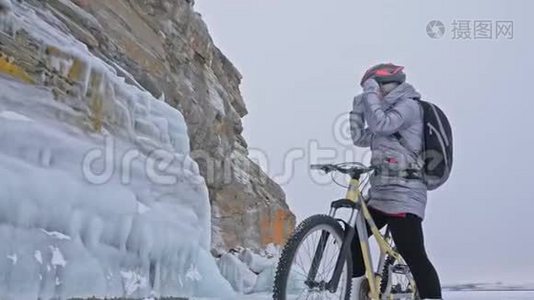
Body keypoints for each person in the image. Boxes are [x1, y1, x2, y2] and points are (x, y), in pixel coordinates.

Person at [349, 63, 442, 300]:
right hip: (381, 193)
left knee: (413, 254)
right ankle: (363, 290)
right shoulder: (385, 113)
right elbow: (360, 137)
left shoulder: (409, 107)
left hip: (405, 193)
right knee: (351, 240)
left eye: (372, 88)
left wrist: (369, 93)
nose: (370, 93)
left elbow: (381, 125)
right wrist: (358, 109)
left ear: (384, 85)